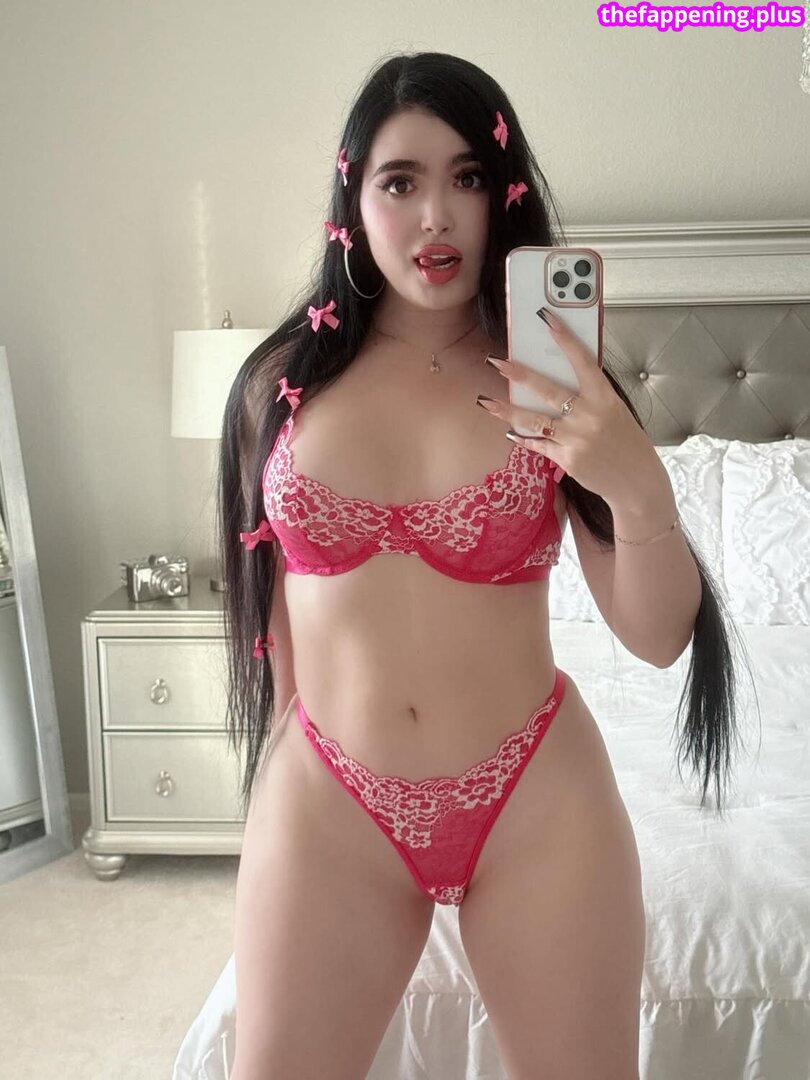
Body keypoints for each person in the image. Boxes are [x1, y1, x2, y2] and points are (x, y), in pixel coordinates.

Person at [217, 51, 749, 1080]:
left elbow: (656, 637)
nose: (436, 216)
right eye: (400, 182)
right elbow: (272, 612)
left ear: (502, 193)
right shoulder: (277, 389)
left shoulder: (553, 378)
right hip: (332, 803)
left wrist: (638, 489)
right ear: (352, 200)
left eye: (466, 177)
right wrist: (284, 777)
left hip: (534, 803)